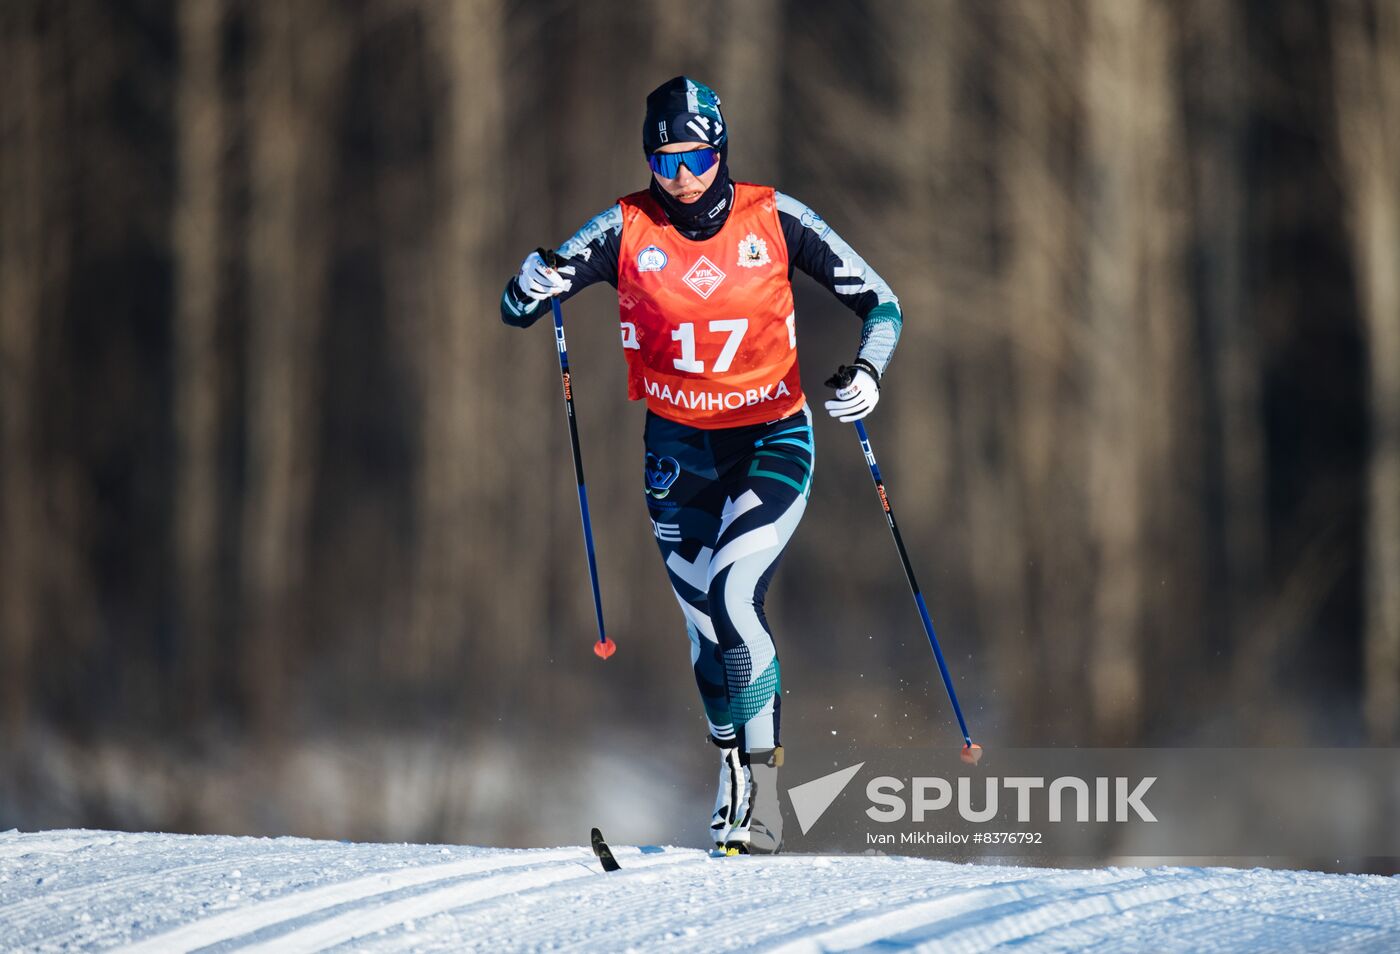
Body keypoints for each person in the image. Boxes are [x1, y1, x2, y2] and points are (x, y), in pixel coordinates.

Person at [501, 76, 902, 854]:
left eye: (695, 155)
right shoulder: (627, 227)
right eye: (664, 157)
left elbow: (880, 301)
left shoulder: (775, 218)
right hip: (677, 455)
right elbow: (519, 304)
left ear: (720, 148)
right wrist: (532, 278)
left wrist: (867, 375)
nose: (681, 175)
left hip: (771, 439)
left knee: (733, 594)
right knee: (703, 632)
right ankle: (728, 767)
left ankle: (765, 795)